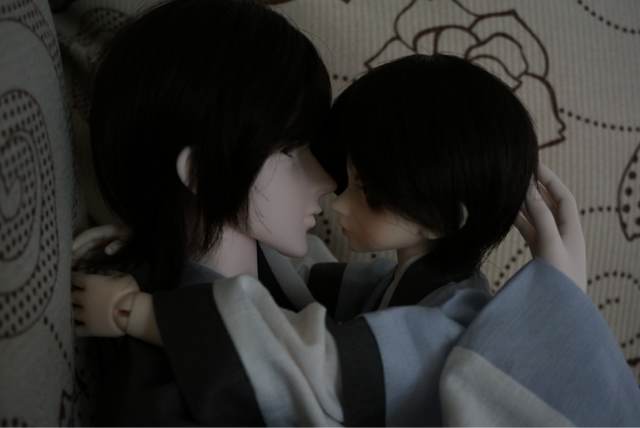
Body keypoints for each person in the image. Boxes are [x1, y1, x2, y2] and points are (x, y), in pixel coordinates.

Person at [74, 53, 640, 425]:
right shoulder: (411, 286)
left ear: (441, 218)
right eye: (348, 178)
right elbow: (306, 287)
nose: (336, 201)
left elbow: (307, 360)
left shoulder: (446, 323)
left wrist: (136, 313)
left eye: (367, 193)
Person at [75, 0, 338, 425]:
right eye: (290, 151)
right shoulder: (173, 377)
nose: (325, 180)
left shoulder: (300, 274)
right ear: (202, 172)